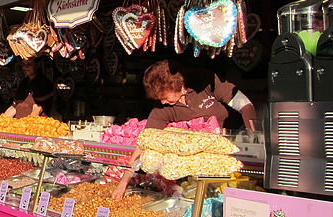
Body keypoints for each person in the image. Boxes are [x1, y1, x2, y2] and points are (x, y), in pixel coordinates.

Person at [111, 59, 258, 199]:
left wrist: (254, 136)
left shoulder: (204, 80)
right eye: (158, 99)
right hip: (209, 159)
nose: (162, 101)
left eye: (164, 96)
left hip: (237, 142)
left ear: (177, 85)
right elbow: (145, 143)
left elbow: (244, 104)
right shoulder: (163, 108)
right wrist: (123, 182)